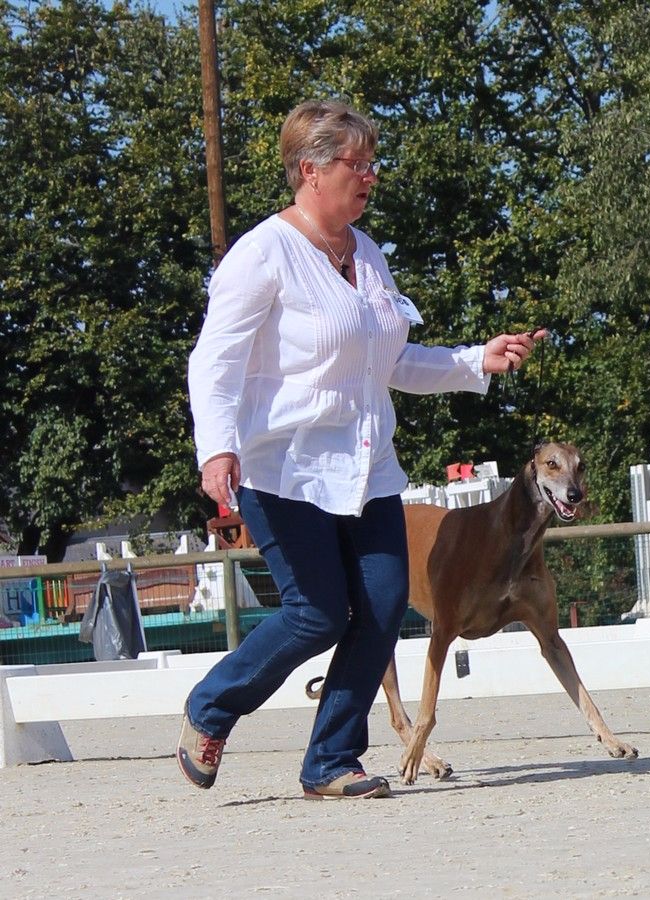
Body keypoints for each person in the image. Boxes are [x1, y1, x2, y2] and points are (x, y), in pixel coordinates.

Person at [177, 99, 546, 800]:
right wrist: (216, 448)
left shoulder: (366, 254)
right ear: (311, 170)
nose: (370, 176)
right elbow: (214, 362)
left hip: (367, 468)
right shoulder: (263, 253)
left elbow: (390, 362)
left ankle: (331, 761)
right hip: (283, 469)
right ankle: (211, 707)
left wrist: (476, 360)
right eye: (358, 163)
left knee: (380, 606)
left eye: (373, 163)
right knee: (316, 612)